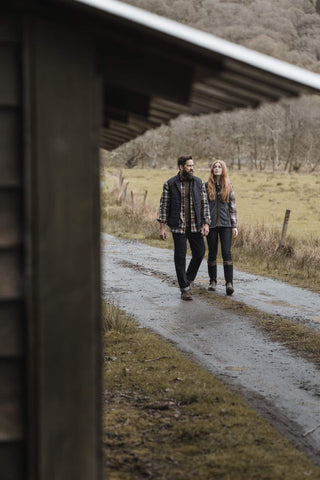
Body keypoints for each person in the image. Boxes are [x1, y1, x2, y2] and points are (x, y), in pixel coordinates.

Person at [158, 155, 210, 301]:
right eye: (189, 165)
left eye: (193, 165)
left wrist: (206, 223)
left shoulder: (199, 182)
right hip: (178, 225)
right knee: (180, 257)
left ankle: (187, 279)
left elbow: (205, 204)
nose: (192, 168)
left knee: (199, 253)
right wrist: (162, 228)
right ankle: (184, 289)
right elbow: (164, 207)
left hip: (195, 224)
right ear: (181, 167)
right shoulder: (170, 184)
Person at [205, 160, 238, 295]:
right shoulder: (206, 186)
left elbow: (233, 207)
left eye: (219, 167)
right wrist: (205, 223)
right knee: (212, 253)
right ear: (212, 170)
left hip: (226, 224)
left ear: (223, 169)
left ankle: (229, 283)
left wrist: (234, 225)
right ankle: (213, 281)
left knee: (226, 252)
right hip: (211, 225)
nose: (217, 169)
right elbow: (204, 206)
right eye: (215, 167)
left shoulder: (228, 186)